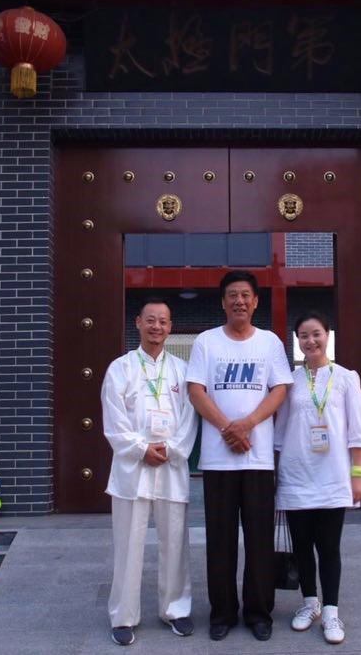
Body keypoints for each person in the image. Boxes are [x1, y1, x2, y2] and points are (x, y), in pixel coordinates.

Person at [186, 270, 293, 642]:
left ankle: (259, 613)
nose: (239, 301)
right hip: (218, 460)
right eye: (232, 295)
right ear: (223, 302)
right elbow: (196, 390)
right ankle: (222, 613)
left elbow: (279, 390)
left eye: (245, 295)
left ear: (256, 301)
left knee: (260, 539)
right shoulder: (206, 342)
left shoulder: (269, 342)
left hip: (258, 459)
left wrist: (246, 424)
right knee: (220, 539)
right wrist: (226, 428)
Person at [101, 297, 198, 646]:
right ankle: (123, 616)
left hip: (171, 466)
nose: (157, 326)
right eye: (151, 320)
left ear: (171, 328)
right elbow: (114, 419)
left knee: (175, 542)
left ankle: (176, 609)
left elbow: (190, 418)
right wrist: (141, 449)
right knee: (128, 545)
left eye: (163, 321)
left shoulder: (182, 371)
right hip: (132, 469)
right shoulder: (121, 368)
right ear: (138, 323)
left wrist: (171, 450)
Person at [274, 311, 361, 645]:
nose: (310, 341)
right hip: (296, 475)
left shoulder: (346, 378)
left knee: (328, 547)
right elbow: (279, 432)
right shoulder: (290, 382)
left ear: (327, 335)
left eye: (316, 333)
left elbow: (358, 431)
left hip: (332, 476)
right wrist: (276, 474)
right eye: (303, 335)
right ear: (297, 341)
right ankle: (309, 603)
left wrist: (358, 474)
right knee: (301, 546)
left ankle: (331, 611)